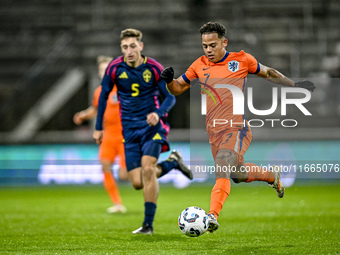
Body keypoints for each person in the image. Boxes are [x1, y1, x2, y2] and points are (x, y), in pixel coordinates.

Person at [160, 21, 316, 233]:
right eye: (204, 45)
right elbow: (177, 88)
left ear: (225, 42)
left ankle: (212, 216)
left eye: (213, 45)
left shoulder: (242, 60)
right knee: (236, 174)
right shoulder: (198, 64)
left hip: (236, 128)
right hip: (214, 132)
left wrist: (295, 85)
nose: (208, 50)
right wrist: (169, 81)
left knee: (222, 167)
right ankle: (271, 176)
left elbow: (269, 73)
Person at [93, 28, 193, 235]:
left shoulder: (154, 68)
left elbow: (171, 97)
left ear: (141, 46)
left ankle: (148, 225)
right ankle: (173, 162)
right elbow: (103, 96)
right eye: (124, 47)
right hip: (128, 131)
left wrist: (158, 113)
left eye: (132, 46)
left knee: (148, 170)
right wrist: (98, 128)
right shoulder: (115, 68)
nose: (129, 51)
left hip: (152, 128)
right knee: (137, 182)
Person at [74, 56, 128, 214]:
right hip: (108, 136)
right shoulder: (99, 92)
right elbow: (95, 109)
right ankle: (117, 203)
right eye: (102, 70)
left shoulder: (124, 88)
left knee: (124, 176)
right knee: (105, 166)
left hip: (124, 136)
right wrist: (83, 115)